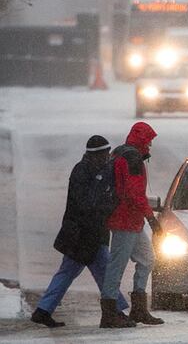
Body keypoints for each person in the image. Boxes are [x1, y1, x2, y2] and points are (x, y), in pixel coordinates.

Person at [31, 135, 129, 328]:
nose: (106, 158)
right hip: (83, 234)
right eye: (103, 155)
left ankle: (43, 310)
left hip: (88, 233)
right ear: (93, 155)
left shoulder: (97, 170)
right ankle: (117, 309)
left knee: (70, 272)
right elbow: (86, 204)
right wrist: (109, 205)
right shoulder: (82, 172)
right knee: (104, 271)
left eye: (107, 154)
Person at [100, 122, 164, 328]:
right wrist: (151, 219)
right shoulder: (133, 159)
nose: (151, 146)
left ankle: (138, 309)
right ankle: (110, 313)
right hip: (125, 219)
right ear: (142, 140)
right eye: (149, 141)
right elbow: (135, 194)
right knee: (117, 266)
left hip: (130, 220)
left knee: (146, 259)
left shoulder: (120, 153)